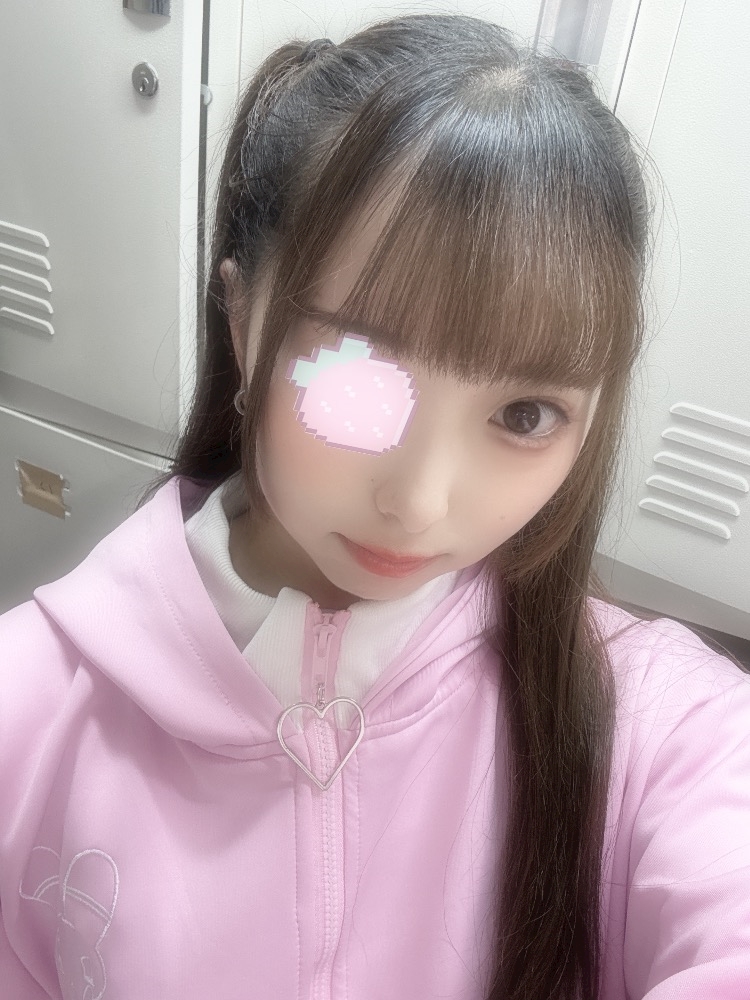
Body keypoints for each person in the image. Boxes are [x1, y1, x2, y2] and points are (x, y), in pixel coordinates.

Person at [1, 13, 748, 1000]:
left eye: (525, 414)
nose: (421, 502)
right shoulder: (29, 710)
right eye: (356, 379)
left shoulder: (652, 722)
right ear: (241, 316)